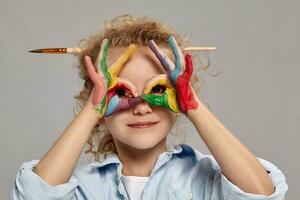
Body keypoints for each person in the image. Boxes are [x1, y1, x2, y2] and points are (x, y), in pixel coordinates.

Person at [11, 14, 288, 200]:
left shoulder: (203, 179)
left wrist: (194, 107)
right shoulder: (83, 188)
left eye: (157, 90)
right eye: (121, 91)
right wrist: (92, 110)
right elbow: (33, 196)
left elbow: (262, 194)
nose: (142, 107)